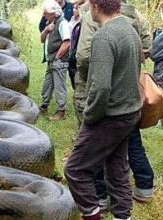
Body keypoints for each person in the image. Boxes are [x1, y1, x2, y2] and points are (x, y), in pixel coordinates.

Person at [64, 0, 143, 220]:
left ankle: (92, 215)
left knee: (75, 170)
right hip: (129, 114)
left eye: (89, 4)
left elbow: (101, 87)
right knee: (117, 169)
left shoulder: (104, 37)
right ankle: (122, 217)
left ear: (96, 7)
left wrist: (89, 117)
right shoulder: (130, 29)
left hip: (110, 116)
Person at [39, 0, 70, 121]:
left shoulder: (63, 23)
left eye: (46, 12)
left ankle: (61, 111)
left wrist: (57, 58)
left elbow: (67, 43)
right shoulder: (50, 22)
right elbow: (42, 40)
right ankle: (43, 106)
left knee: (59, 86)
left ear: (54, 13)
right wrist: (46, 30)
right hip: (51, 60)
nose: (44, 14)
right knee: (47, 84)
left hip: (59, 60)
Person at [67, 2, 82, 90]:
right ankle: (75, 90)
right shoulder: (72, 19)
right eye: (73, 8)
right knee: (71, 72)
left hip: (77, 50)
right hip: (71, 50)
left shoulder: (82, 22)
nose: (73, 10)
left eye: (76, 8)